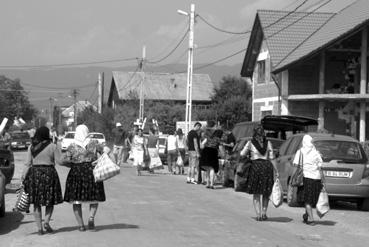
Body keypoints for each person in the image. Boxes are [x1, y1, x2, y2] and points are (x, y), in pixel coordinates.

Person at [60, 124, 106, 231]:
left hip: (76, 173)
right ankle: (91, 218)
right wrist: (98, 161)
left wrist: (72, 164)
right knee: (94, 197)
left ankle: (81, 225)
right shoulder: (94, 143)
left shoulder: (72, 146)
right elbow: (106, 152)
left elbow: (62, 160)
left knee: (76, 200)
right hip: (91, 171)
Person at [21, 126, 63, 235]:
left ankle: (39, 229)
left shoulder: (31, 147)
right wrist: (72, 163)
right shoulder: (53, 146)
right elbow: (60, 161)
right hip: (50, 174)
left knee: (36, 203)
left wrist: (23, 176)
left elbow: (27, 163)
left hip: (35, 175)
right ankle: (47, 222)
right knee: (50, 201)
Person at [240, 125, 279, 221]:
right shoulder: (268, 143)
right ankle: (264, 213)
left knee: (256, 192)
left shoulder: (250, 143)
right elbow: (272, 157)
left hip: (255, 168)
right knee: (266, 192)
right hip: (267, 167)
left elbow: (242, 154)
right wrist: (276, 171)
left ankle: (258, 215)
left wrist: (249, 155)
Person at [293, 134, 324, 226]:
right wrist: (322, 180)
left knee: (306, 199)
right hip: (316, 179)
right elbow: (320, 167)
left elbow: (296, 165)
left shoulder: (300, 152)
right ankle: (307, 214)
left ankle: (311, 219)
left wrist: (293, 177)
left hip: (305, 178)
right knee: (311, 198)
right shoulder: (316, 153)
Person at [199, 124, 223, 189]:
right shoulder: (218, 139)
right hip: (214, 152)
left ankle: (207, 183)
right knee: (212, 168)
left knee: (207, 169)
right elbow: (220, 147)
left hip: (206, 151)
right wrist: (222, 155)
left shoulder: (207, 138)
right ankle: (212, 184)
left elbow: (201, 146)